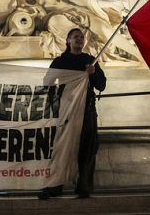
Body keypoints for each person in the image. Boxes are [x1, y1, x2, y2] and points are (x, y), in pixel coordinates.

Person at [38, 28, 106, 200]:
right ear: (68, 40)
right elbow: (47, 82)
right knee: (62, 147)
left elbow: (101, 85)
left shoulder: (90, 61)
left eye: (81, 37)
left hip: (87, 110)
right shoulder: (60, 61)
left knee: (87, 148)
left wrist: (94, 73)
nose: (79, 40)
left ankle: (84, 186)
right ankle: (54, 186)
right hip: (66, 110)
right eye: (76, 37)